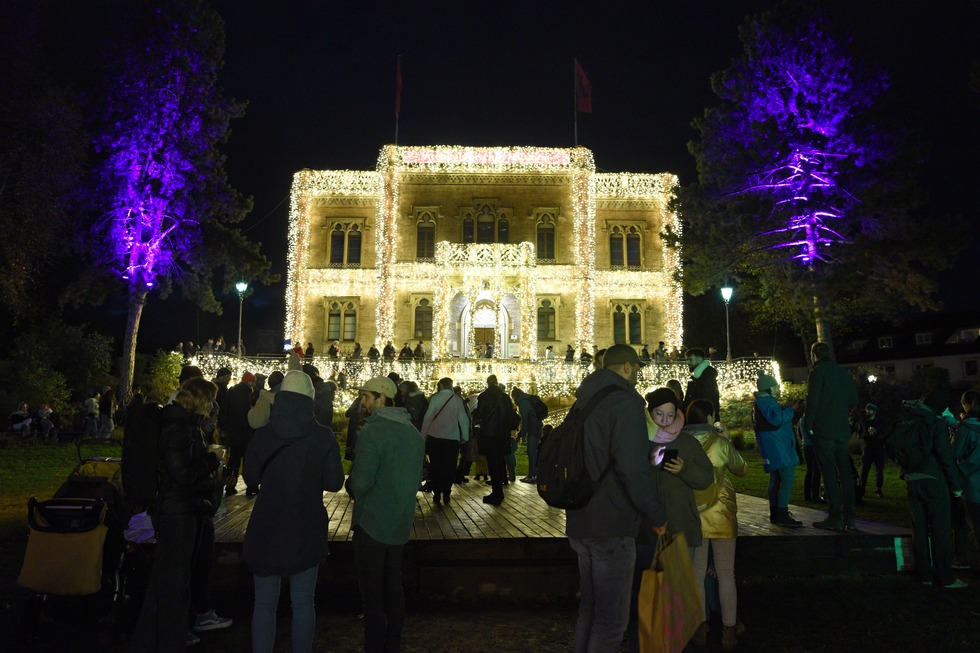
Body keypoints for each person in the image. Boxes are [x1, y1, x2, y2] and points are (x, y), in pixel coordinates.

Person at [565, 344, 667, 653]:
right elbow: (632, 468)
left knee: (590, 612)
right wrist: (657, 515)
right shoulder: (623, 402)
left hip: (581, 517)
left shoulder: (584, 400)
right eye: (636, 368)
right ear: (626, 368)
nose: (637, 374)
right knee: (611, 623)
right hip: (611, 521)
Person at [243, 371, 345, 653]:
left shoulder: (263, 435)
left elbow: (250, 477)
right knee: (303, 602)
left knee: (264, 602)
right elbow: (335, 482)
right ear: (310, 400)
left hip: (266, 524)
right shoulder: (323, 436)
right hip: (306, 525)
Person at [129, 378, 224, 652]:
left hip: (181, 509)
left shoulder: (184, 426)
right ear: (198, 400)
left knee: (170, 580)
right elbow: (181, 474)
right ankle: (169, 640)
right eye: (209, 401)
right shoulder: (177, 428)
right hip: (176, 513)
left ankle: (155, 638)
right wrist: (211, 460)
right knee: (174, 582)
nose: (211, 407)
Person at [629, 388, 712, 653]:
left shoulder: (688, 443)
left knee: (676, 595)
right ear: (649, 414)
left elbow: (705, 479)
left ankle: (673, 645)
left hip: (680, 529)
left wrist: (684, 470)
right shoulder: (638, 441)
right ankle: (643, 644)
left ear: (677, 413)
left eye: (669, 414)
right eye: (658, 414)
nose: (664, 420)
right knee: (645, 594)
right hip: (644, 530)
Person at [346, 376, 425, 653]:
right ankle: (392, 643)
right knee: (393, 585)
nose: (362, 402)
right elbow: (416, 481)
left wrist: (351, 484)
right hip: (400, 522)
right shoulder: (414, 434)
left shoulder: (373, 432)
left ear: (382, 398)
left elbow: (361, 482)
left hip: (372, 523)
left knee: (372, 593)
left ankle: (374, 646)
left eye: (366, 397)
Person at [686, 399, 748, 650]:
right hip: (721, 514)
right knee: (726, 574)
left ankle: (700, 627)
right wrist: (728, 439)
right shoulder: (720, 443)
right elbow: (741, 469)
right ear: (710, 417)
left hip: (695, 515)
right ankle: (729, 630)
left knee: (697, 574)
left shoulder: (684, 444)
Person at [897, 392, 966, 588]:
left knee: (918, 530)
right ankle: (945, 577)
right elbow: (945, 457)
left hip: (911, 478)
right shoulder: (934, 423)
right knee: (940, 529)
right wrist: (956, 487)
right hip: (933, 480)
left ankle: (924, 575)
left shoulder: (907, 421)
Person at [802, 341, 859, 531]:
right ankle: (849, 517)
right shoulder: (842, 373)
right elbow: (854, 400)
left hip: (824, 430)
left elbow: (813, 400)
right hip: (841, 430)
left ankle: (835, 516)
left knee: (829, 474)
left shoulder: (817, 373)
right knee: (845, 473)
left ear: (814, 355)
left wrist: (808, 425)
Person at [753, 372, 804, 528]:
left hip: (772, 448)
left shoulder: (760, 403)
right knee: (787, 479)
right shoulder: (767, 402)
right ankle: (782, 514)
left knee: (776, 480)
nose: (776, 389)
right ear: (768, 388)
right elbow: (777, 419)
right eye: (775, 387)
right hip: (779, 448)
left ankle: (776, 513)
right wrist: (792, 409)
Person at [420, 377, 470, 506]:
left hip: (435, 437)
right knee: (449, 466)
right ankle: (446, 492)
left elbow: (428, 418)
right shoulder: (457, 400)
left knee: (436, 466)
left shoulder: (435, 398)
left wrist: (423, 436)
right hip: (452, 438)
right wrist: (465, 436)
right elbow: (463, 419)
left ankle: (437, 492)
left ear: (441, 385)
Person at [472, 375, 515, 505]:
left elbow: (480, 414)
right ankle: (499, 490)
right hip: (503, 434)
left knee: (493, 463)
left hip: (490, 435)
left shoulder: (485, 396)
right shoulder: (505, 397)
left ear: (488, 383)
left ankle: (497, 493)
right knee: (499, 461)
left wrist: (475, 413)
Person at [954, 391, 980, 569]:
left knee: (973, 525)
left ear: (968, 405)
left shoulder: (966, 428)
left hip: (971, 483)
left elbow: (955, 453)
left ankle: (963, 560)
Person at [224, 372, 257, 497]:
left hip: (233, 431)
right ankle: (251, 486)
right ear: (250, 382)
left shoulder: (232, 391)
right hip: (245, 431)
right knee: (248, 460)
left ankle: (230, 485)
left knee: (234, 459)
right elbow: (247, 412)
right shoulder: (247, 393)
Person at [511, 386, 543, 483]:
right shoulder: (527, 399)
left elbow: (525, 420)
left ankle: (532, 475)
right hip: (536, 426)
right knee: (532, 452)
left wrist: (523, 435)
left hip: (533, 428)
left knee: (531, 452)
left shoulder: (523, 403)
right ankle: (532, 474)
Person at [857, 403, 887, 498]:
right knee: (864, 470)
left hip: (879, 448)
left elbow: (885, 434)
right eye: (866, 409)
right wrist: (867, 433)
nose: (867, 411)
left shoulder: (880, 422)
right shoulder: (864, 421)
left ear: (874, 411)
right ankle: (862, 489)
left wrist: (876, 432)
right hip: (868, 448)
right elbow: (860, 434)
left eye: (869, 410)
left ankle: (878, 489)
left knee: (879, 470)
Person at [684, 348, 720, 412]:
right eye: (687, 360)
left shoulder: (707, 377)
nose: (688, 362)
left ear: (699, 359)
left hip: (701, 420)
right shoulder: (696, 377)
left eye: (690, 359)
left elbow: (706, 404)